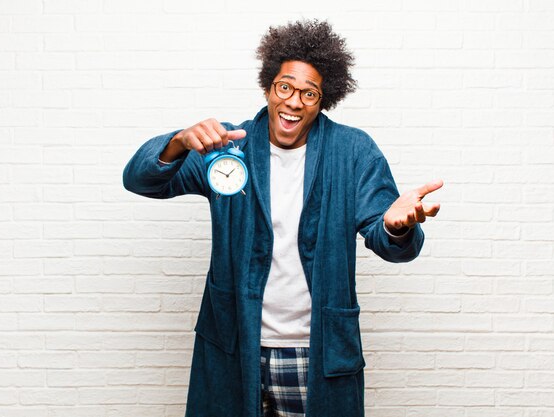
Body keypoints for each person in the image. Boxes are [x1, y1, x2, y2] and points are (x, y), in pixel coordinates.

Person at [123, 19, 442, 417]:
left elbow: (392, 241)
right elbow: (139, 180)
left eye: (309, 93)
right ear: (269, 86)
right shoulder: (226, 147)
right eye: (285, 87)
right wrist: (177, 143)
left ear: (323, 101)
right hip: (236, 346)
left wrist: (397, 227)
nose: (294, 101)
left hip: (317, 353)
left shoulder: (353, 151)